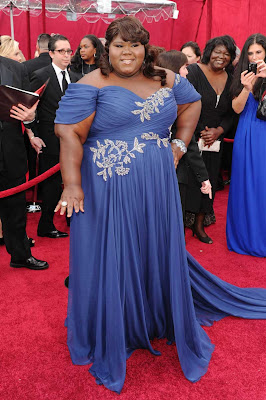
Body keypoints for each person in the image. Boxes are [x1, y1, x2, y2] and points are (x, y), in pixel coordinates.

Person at [54, 17, 266, 394]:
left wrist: (180, 145)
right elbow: (69, 134)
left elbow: (192, 106)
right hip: (108, 184)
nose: (127, 53)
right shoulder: (91, 84)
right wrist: (72, 185)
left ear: (145, 48)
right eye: (119, 45)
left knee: (154, 245)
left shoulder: (167, 79)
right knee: (115, 250)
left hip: (157, 180)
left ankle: (155, 314)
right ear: (107, 47)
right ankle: (116, 323)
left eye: (134, 45)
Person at [185, 35, 236, 244]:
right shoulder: (194, 72)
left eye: (226, 53)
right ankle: (179, 223)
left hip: (216, 142)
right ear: (209, 51)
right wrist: (200, 132)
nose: (221, 57)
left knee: (210, 183)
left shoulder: (232, 79)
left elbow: (233, 113)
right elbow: (185, 104)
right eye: (218, 51)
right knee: (188, 182)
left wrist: (219, 131)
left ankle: (199, 225)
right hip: (191, 138)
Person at [0, 55, 48, 269]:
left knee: (16, 210)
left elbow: (30, 109)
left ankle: (20, 255)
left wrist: (29, 118)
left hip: (11, 152)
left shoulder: (16, 69)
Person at [30, 34, 78, 239]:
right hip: (50, 137)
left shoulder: (76, 77)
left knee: (74, 180)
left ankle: (72, 220)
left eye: (69, 51)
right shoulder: (41, 75)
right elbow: (30, 107)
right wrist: (33, 134)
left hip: (75, 138)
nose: (67, 55)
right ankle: (46, 225)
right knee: (51, 184)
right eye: (61, 51)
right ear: (50, 53)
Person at [156, 50, 212, 223]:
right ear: (172, 69)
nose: (187, 72)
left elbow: (190, 142)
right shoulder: (178, 100)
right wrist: (204, 177)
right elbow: (191, 144)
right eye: (184, 67)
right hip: (163, 170)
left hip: (168, 170)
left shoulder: (179, 96)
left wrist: (202, 176)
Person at [227, 33, 266, 257]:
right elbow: (237, 109)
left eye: (258, 52)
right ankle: (245, 236)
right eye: (250, 53)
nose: (254, 56)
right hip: (246, 133)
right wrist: (246, 87)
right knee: (245, 182)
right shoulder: (241, 75)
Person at [23, 34, 52, 182]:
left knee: (34, 160)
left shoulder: (25, 66)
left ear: (37, 47)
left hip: (32, 123)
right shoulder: (60, 66)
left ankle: (35, 190)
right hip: (53, 123)